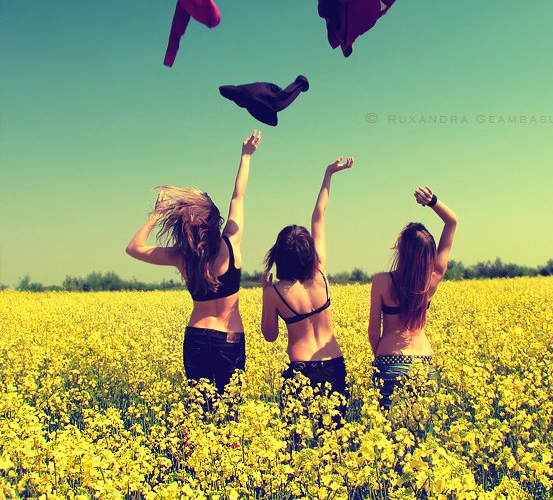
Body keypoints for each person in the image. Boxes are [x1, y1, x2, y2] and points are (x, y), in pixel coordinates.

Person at [126, 130, 262, 394]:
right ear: (214, 222)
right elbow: (238, 197)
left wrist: (156, 215)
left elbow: (134, 248)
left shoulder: (182, 257)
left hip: (196, 336)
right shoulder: (229, 245)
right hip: (229, 338)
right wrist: (246, 156)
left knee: (197, 408)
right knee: (230, 409)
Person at [260, 157, 353, 419]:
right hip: (334, 364)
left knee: (297, 437)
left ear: (279, 256)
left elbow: (269, 335)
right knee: (335, 436)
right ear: (309, 251)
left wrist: (265, 292)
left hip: (302, 370)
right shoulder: (321, 274)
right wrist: (329, 173)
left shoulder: (276, 292)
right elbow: (319, 217)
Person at [368, 186, 457, 410]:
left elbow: (373, 333)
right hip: (424, 361)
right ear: (429, 253)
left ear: (401, 249)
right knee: (423, 429)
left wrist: (384, 359)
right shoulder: (433, 278)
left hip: (390, 359)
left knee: (388, 429)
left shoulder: (381, 282)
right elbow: (452, 222)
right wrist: (432, 201)